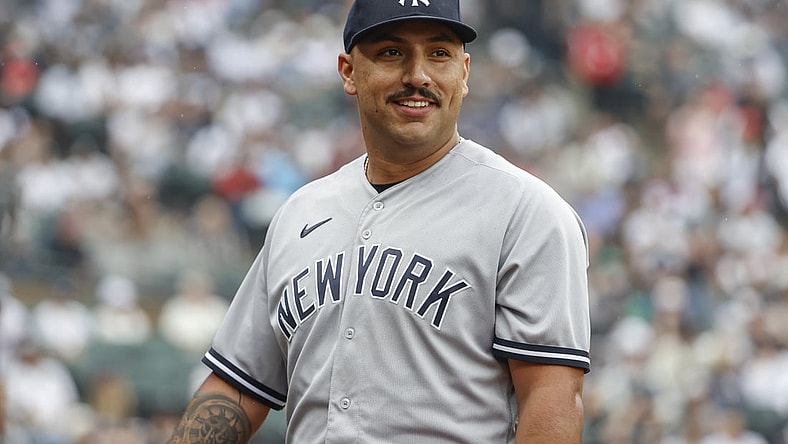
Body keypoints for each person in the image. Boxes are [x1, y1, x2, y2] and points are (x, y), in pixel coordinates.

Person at [167, 1, 591, 442]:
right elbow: (236, 388)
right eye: (392, 52)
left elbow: (552, 398)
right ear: (349, 71)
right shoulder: (300, 212)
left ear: (464, 73)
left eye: (439, 53)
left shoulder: (527, 211)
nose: (418, 75)